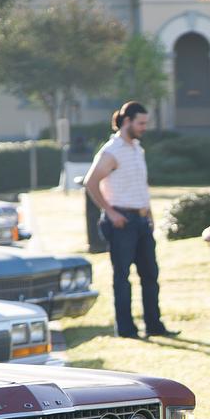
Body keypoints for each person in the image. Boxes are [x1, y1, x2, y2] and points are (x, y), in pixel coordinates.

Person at [83, 101, 177, 339]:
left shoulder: (137, 148)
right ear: (127, 122)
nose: (144, 127)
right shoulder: (111, 151)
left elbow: (141, 185)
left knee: (150, 275)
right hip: (121, 221)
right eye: (141, 123)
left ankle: (154, 325)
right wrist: (111, 212)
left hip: (142, 221)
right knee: (122, 278)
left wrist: (150, 215)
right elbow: (91, 182)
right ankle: (126, 330)